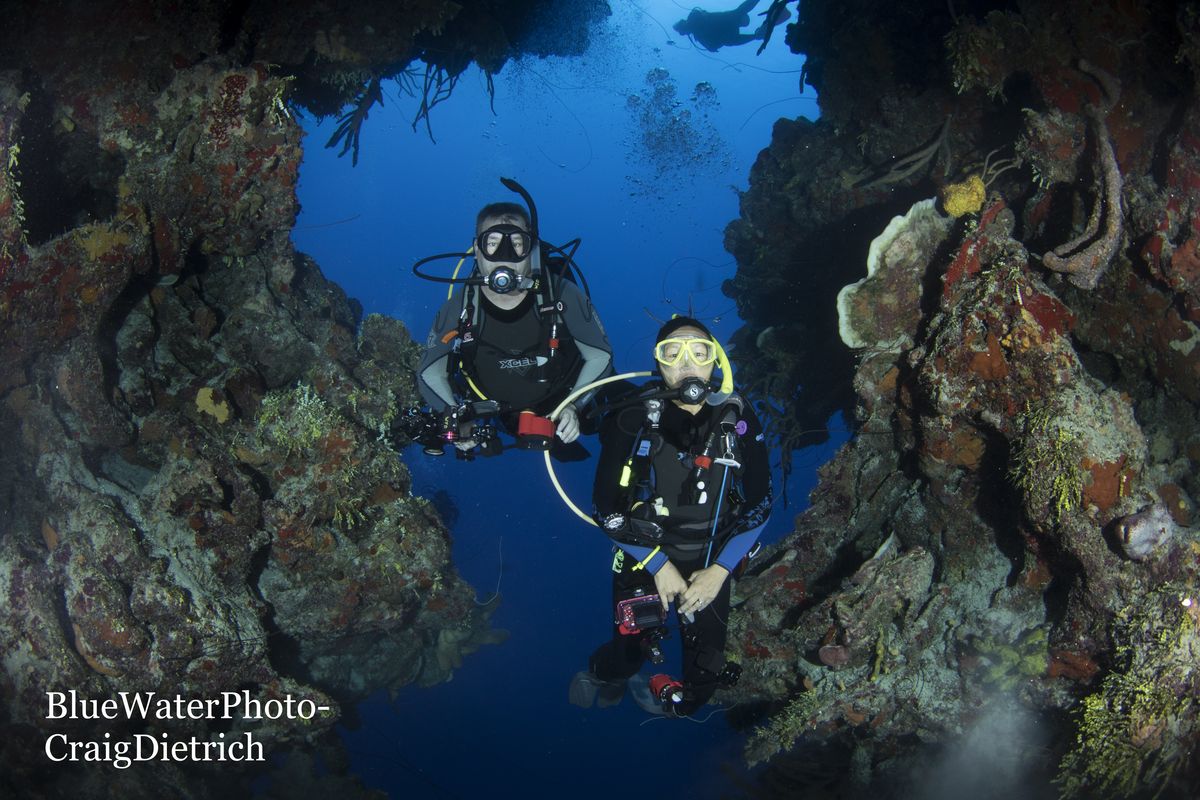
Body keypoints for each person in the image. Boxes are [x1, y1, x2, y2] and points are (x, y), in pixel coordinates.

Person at [570, 317, 772, 716]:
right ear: (658, 364)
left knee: (701, 690)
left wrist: (720, 571)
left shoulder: (738, 418)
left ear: (715, 362)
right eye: (672, 353)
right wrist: (658, 564)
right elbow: (606, 511)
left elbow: (761, 503)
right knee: (629, 657)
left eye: (700, 353)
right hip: (642, 554)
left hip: (711, 561)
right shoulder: (633, 419)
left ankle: (664, 695)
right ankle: (602, 675)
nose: (686, 365)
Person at [416, 200, 612, 456]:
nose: (505, 256)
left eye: (517, 244)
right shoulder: (460, 307)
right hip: (500, 414)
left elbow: (600, 354)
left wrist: (573, 405)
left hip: (564, 403)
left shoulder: (562, 294)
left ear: (531, 250)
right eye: (493, 243)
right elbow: (429, 372)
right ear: (477, 248)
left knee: (609, 421)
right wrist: (454, 415)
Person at [673, 1, 767, 52]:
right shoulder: (697, 33)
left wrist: (712, 47)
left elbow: (712, 46)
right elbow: (712, 46)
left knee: (737, 14)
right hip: (722, 28)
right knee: (737, 14)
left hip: (722, 26)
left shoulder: (694, 20)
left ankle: (756, 36)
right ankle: (756, 36)